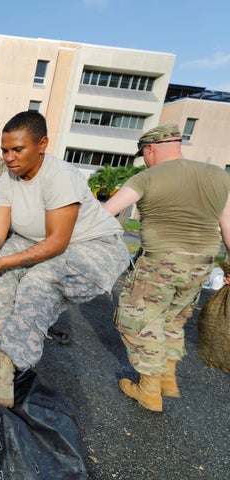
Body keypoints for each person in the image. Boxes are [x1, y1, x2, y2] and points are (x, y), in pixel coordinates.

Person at [0, 111, 129, 408]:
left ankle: (2, 375)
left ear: (42, 144)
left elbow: (57, 242)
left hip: (93, 246)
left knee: (39, 281)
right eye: (4, 150)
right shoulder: (5, 181)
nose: (10, 157)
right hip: (38, 240)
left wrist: (3, 262)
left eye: (18, 149)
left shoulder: (60, 177)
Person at [102, 124, 230, 412]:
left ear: (150, 149)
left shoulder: (147, 176)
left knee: (137, 320)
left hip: (161, 262)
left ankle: (148, 388)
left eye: (144, 154)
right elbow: (227, 224)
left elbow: (106, 213)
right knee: (172, 318)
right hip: (201, 266)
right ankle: (167, 379)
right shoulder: (219, 176)